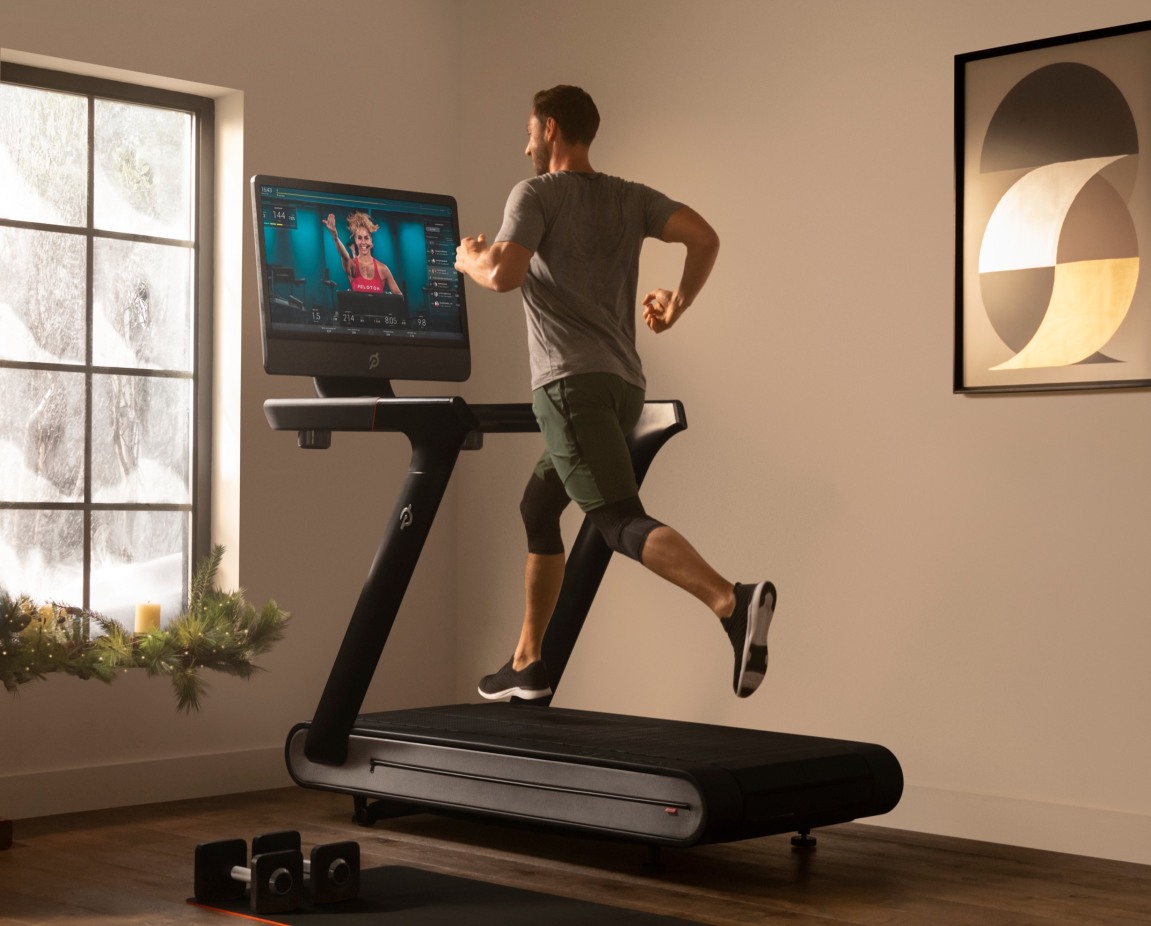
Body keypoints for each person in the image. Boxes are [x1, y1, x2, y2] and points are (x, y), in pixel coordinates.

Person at [454, 85, 776, 701]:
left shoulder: (535, 193)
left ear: (550, 129)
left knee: (615, 519)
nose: (525, 143)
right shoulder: (630, 197)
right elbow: (705, 236)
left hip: (569, 387)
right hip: (623, 386)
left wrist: (468, 258)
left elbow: (503, 274)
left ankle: (731, 602)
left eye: (529, 130)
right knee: (538, 508)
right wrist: (676, 305)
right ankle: (527, 663)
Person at [323, 211, 403, 295]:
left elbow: (399, 296)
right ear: (355, 240)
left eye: (366, 238)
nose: (363, 242)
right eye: (360, 238)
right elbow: (345, 257)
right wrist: (335, 237)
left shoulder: (383, 269)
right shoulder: (352, 265)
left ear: (371, 240)